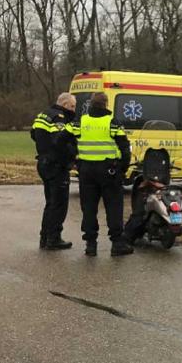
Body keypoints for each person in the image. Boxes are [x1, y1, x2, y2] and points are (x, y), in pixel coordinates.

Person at [63, 92, 134, 257]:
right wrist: (122, 169)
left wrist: (74, 157)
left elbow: (60, 139)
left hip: (86, 170)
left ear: (91, 104)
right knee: (113, 207)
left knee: (88, 208)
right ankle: (117, 243)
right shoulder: (112, 122)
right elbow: (125, 148)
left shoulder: (80, 121)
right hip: (109, 170)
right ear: (106, 104)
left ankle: (90, 244)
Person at [31, 93, 78, 250]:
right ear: (64, 104)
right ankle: (54, 238)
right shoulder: (59, 117)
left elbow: (33, 134)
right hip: (56, 165)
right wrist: (73, 157)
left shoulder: (43, 114)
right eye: (72, 106)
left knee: (50, 203)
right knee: (58, 204)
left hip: (43, 163)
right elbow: (60, 142)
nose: (74, 109)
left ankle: (45, 236)